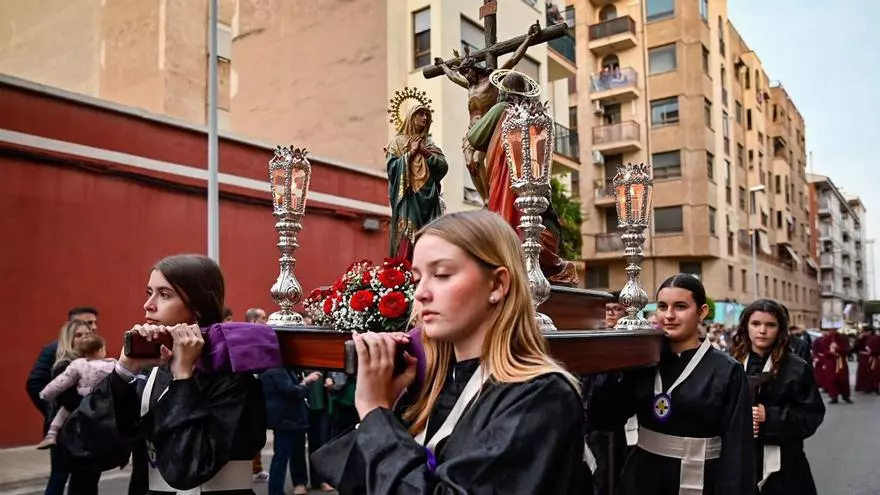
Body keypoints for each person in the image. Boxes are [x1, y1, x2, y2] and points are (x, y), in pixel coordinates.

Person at [312, 210, 589, 493]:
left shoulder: (540, 397)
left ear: (497, 284)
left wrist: (375, 412)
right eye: (417, 278)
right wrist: (388, 408)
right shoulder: (433, 389)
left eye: (442, 274)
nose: (420, 293)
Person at [73, 254, 266, 494]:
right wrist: (123, 371)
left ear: (198, 307)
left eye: (164, 294)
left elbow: (189, 469)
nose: (148, 305)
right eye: (149, 292)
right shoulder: (152, 367)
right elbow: (93, 449)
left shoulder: (233, 378)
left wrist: (183, 378)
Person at [590, 274, 754, 494]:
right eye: (662, 306)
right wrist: (610, 366)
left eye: (680, 306)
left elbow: (738, 449)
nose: (669, 315)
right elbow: (605, 418)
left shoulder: (727, 370)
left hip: (702, 479)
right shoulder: (643, 363)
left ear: (701, 312)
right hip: (642, 479)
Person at [465, 69, 578, 285]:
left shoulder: (503, 108)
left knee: (508, 219)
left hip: (506, 177)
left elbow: (473, 136)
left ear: (502, 92)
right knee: (520, 222)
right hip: (530, 179)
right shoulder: (533, 116)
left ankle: (516, 260)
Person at [433, 23, 540, 202]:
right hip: (471, 132)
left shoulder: (492, 81)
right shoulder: (469, 86)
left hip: (487, 131)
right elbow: (452, 77)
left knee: (478, 159)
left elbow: (512, 59)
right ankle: (485, 199)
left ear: (475, 69)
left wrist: (528, 39)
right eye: (463, 73)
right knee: (470, 164)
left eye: (467, 72)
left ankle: (492, 199)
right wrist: (443, 66)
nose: (466, 76)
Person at [729, 300, 824, 494]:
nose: (762, 330)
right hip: (736, 462)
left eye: (770, 325)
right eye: (756, 324)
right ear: (746, 327)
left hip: (784, 466)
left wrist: (769, 417)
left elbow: (811, 417)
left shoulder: (797, 368)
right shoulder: (728, 363)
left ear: (780, 329)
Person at [386, 104, 448, 260]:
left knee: (430, 235)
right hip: (409, 197)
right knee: (408, 233)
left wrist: (424, 152)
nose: (425, 118)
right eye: (420, 114)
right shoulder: (398, 142)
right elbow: (392, 169)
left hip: (430, 197)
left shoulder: (429, 144)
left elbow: (443, 167)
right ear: (411, 117)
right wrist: (412, 153)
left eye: (427, 115)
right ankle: (405, 273)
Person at [38, 334, 115, 449]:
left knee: (63, 412)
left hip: (82, 400)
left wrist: (46, 394)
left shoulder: (79, 364)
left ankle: (51, 435)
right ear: (99, 350)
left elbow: (61, 382)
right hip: (105, 401)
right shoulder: (112, 365)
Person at [260, 366, 320, 495]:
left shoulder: (280, 369)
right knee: (281, 458)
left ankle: (276, 490)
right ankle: (275, 491)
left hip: (288, 419)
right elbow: (291, 391)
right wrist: (306, 383)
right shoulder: (277, 370)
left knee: (282, 456)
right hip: (285, 419)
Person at [812, 327, 852, 404]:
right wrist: (831, 352)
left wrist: (838, 349)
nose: (832, 331)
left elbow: (847, 349)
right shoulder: (825, 339)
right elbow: (823, 350)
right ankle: (834, 396)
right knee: (831, 379)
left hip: (841, 361)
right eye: (830, 329)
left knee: (843, 379)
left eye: (834, 329)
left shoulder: (843, 338)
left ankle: (845, 396)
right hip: (830, 362)